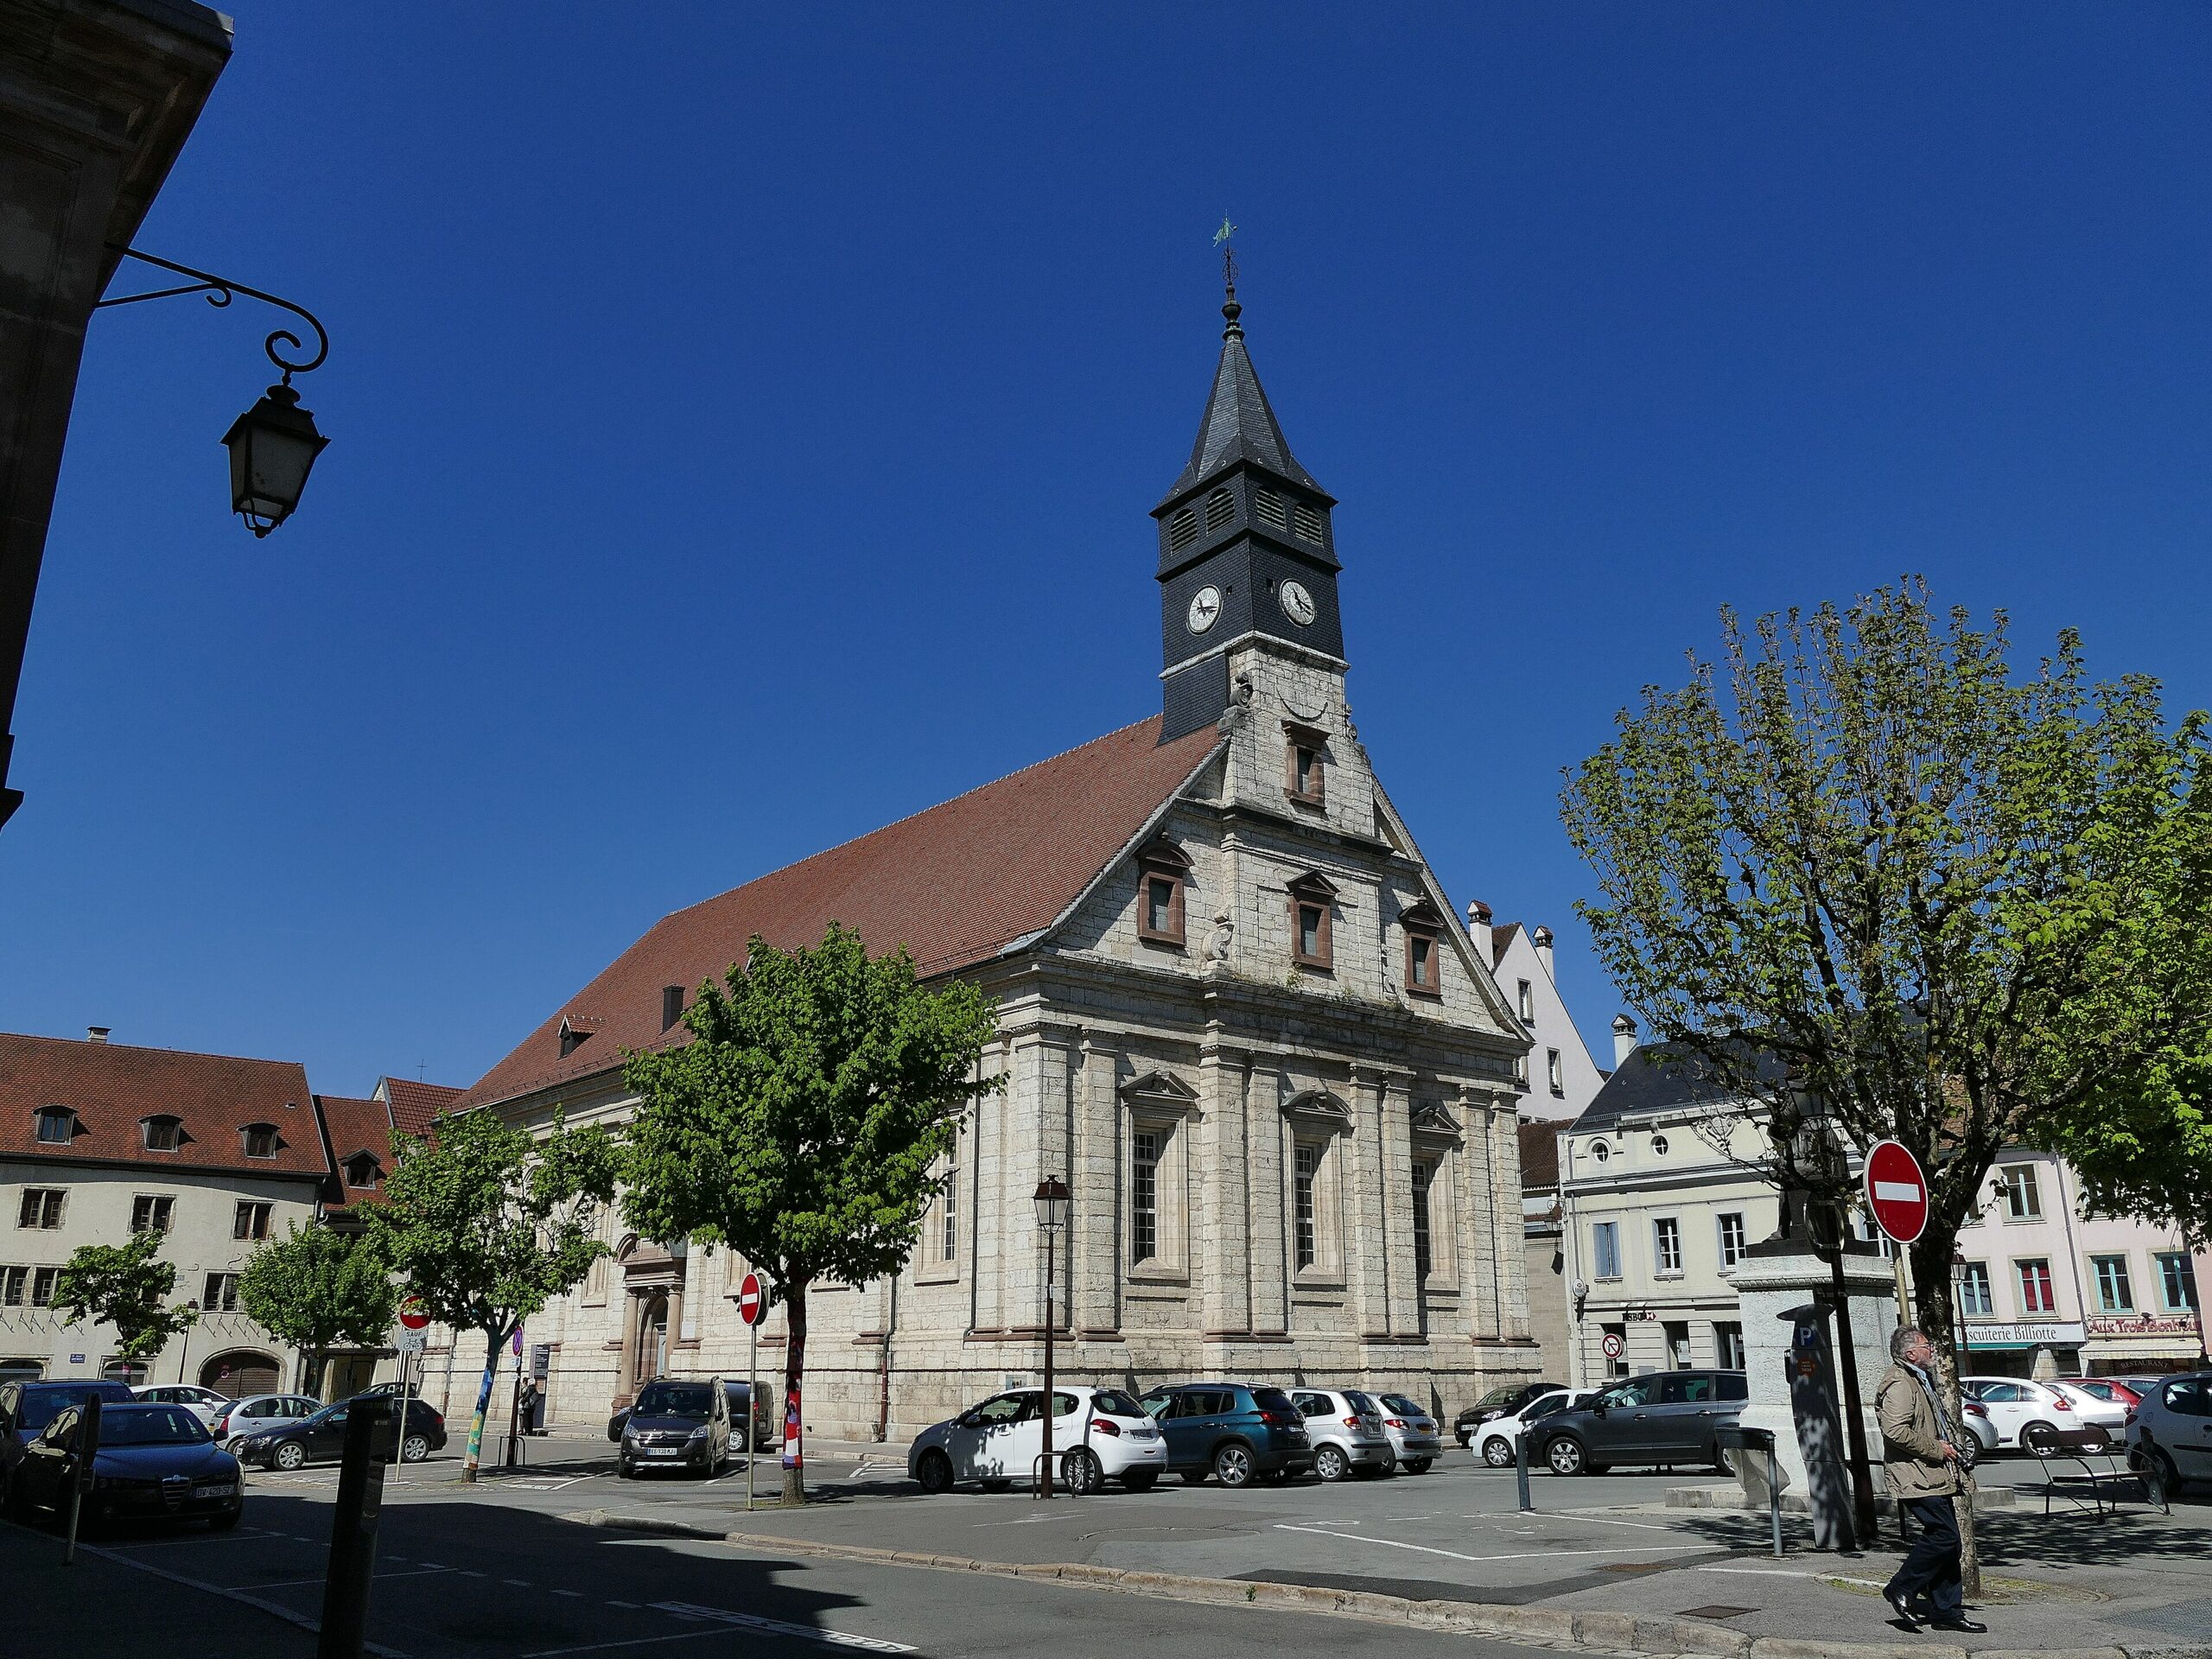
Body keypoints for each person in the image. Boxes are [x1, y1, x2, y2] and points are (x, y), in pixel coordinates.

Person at [1877, 1325, 1986, 1635]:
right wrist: (1937, 1449)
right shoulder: (1899, 1382)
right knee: (1944, 1536)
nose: (1933, 1350)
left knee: (1950, 1545)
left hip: (1933, 1474)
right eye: (1927, 1345)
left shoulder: (1919, 1378)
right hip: (1915, 1474)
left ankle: (1946, 1611)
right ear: (1911, 1353)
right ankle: (1901, 1587)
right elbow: (1895, 1431)